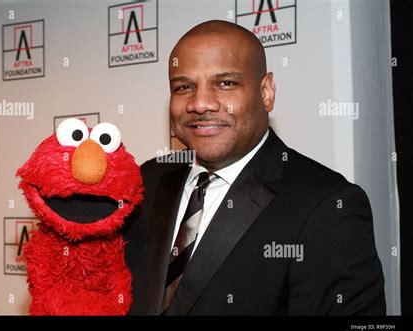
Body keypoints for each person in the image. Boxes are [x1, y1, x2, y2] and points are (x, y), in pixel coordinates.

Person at [124, 20, 386, 315]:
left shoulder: (328, 205)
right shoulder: (144, 181)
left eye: (225, 83)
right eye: (184, 86)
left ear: (266, 92)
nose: (200, 103)